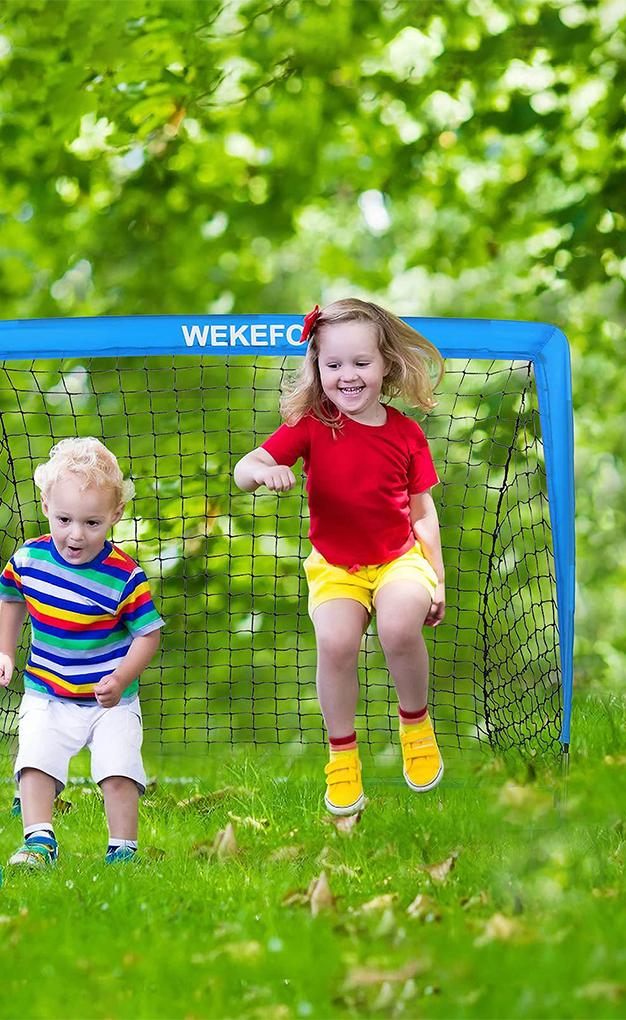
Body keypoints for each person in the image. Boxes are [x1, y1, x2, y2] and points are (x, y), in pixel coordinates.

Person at [234, 298, 447, 816]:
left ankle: (416, 724)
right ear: (317, 368)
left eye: (360, 363)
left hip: (401, 560)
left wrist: (436, 578)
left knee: (399, 629)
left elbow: (423, 513)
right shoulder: (311, 425)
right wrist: (264, 470)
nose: (347, 376)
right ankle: (342, 755)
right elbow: (245, 468)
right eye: (333, 365)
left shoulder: (405, 433)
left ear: (385, 365)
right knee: (335, 642)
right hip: (335, 566)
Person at [0, 437, 163, 867]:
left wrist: (121, 679)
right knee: (35, 759)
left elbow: (148, 636)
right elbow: (11, 599)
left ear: (115, 516)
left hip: (111, 701)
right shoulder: (29, 559)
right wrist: (5, 654)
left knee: (118, 768)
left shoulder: (125, 576)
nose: (75, 535)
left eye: (92, 523)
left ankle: (123, 847)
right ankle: (38, 840)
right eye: (65, 519)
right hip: (48, 693)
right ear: (46, 505)